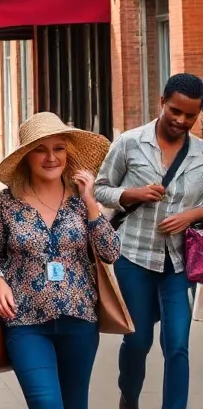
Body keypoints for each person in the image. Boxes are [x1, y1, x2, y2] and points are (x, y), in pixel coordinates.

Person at [0, 112, 119, 409]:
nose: (51, 158)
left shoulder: (80, 201)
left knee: (75, 404)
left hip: (80, 320)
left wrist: (91, 204)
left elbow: (110, 252)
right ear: (26, 156)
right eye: (40, 150)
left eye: (58, 148)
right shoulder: (5, 202)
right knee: (46, 403)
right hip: (24, 321)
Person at [95, 72, 203, 409]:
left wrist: (192, 215)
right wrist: (131, 193)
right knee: (138, 342)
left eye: (191, 115)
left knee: (177, 345)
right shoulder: (129, 142)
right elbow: (99, 188)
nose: (181, 120)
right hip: (134, 257)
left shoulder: (201, 153)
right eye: (175, 111)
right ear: (162, 103)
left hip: (179, 262)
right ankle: (129, 397)